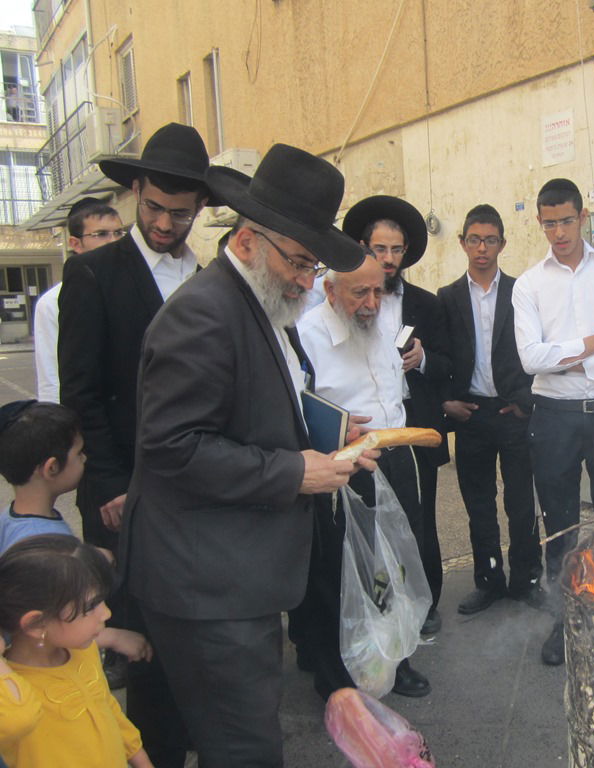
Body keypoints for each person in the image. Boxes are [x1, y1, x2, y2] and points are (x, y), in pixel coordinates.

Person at [120, 143, 373, 767]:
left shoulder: (258, 300)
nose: (306, 282)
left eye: (314, 267)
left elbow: (254, 412)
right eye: (299, 263)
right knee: (244, 749)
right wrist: (295, 471)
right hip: (205, 586)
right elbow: (171, 447)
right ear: (248, 239)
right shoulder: (204, 314)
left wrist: (321, 437)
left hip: (234, 576)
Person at [57, 122, 214, 762]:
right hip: (130, 495)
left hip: (201, 490)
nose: (164, 223)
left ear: (199, 209)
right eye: (153, 208)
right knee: (145, 641)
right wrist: (111, 484)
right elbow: (82, 395)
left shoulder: (207, 276)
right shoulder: (93, 275)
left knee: (198, 640)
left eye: (179, 213)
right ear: (135, 194)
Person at [512, 178, 594, 666]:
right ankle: (564, 616)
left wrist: (568, 359)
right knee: (559, 522)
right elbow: (529, 359)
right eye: (549, 223)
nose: (559, 232)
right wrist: (593, 344)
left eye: (567, 220)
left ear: (582, 217)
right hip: (555, 417)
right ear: (540, 222)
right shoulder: (529, 285)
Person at [295, 253, 431, 699]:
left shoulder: (382, 320)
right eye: (360, 292)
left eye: (378, 291)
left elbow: (395, 388)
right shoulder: (306, 335)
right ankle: (338, 678)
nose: (372, 302)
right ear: (330, 291)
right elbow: (297, 411)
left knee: (392, 568)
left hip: (394, 459)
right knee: (340, 574)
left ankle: (395, 658)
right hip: (342, 469)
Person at [342, 196, 449, 635]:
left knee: (418, 522)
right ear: (364, 247)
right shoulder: (341, 300)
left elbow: (450, 365)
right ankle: (379, 610)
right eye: (379, 249)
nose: (387, 259)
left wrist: (423, 359)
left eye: (396, 250)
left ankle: (426, 603)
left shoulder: (425, 303)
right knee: (369, 527)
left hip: (414, 429)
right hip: (365, 434)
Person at [438, 204, 542, 615]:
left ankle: (526, 580)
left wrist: (525, 403)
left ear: (503, 243)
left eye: (491, 240)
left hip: (512, 413)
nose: (482, 248)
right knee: (478, 502)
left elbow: (537, 349)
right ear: (462, 242)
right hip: (471, 415)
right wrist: (448, 402)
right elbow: (442, 355)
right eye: (475, 239)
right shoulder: (447, 298)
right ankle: (489, 580)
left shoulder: (522, 292)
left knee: (520, 502)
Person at [0, 399, 152, 663]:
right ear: (51, 467)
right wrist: (115, 637)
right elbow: (53, 621)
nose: (85, 458)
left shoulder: (13, 520)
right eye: (79, 453)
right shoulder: (39, 543)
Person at [0, 534, 154, 767]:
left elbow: (107, 708)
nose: (106, 614)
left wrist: (142, 761)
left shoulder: (83, 650)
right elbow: (18, 721)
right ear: (36, 624)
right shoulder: (11, 692)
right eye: (91, 606)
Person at [34, 197, 125, 402]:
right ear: (75, 243)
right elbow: (51, 377)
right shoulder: (51, 303)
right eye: (101, 234)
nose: (114, 241)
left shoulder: (133, 286)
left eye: (119, 233)